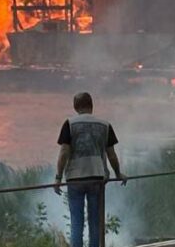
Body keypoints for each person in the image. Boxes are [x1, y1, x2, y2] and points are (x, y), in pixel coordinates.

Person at [54, 92, 126, 247]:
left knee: (77, 223)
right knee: (95, 222)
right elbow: (111, 155)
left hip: (75, 178)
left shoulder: (69, 124)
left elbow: (64, 152)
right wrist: (118, 173)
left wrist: (58, 177)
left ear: (75, 107)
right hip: (97, 177)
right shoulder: (105, 125)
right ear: (91, 105)